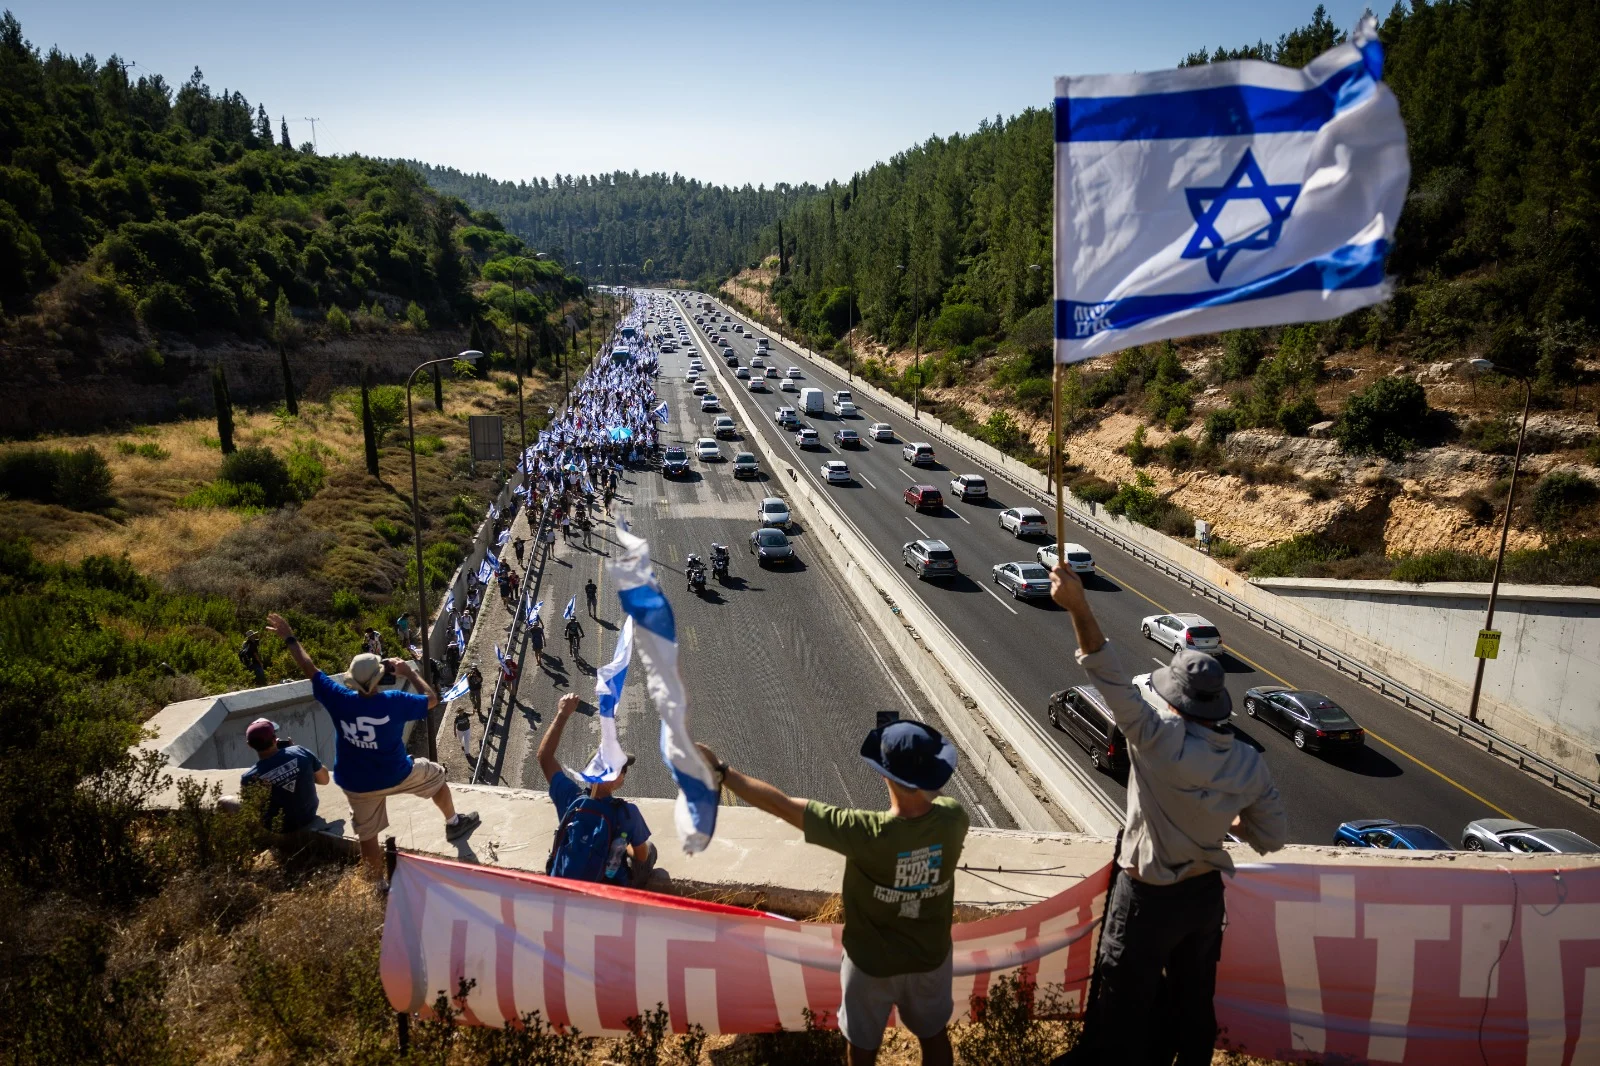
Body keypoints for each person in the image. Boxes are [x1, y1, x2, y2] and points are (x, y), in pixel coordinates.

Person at [1045, 564, 1286, 1066]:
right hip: (1203, 901)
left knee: (1120, 1004)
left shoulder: (1155, 737)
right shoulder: (1248, 763)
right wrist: (1218, 815)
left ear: (1175, 701)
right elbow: (1270, 836)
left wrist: (1078, 605)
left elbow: (1101, 664)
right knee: (1193, 1003)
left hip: (1147, 900)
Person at [696, 721, 968, 1066]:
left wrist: (721, 771)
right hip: (931, 958)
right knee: (933, 1035)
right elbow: (932, 802)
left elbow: (782, 805)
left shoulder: (863, 833)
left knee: (863, 1043)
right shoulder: (954, 818)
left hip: (871, 965)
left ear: (884, 776)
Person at [265, 612, 480, 885]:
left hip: (357, 783)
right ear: (380, 678)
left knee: (368, 836)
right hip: (396, 773)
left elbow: (309, 668)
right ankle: (453, 823)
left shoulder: (339, 698)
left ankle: (378, 886)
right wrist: (408, 671)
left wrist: (290, 637)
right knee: (436, 775)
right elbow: (432, 699)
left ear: (352, 681)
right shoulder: (393, 701)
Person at [537, 692, 654, 886]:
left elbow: (544, 757)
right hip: (604, 892)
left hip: (563, 887)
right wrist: (623, 848)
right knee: (649, 850)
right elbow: (641, 856)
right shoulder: (627, 813)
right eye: (623, 768)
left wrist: (562, 714)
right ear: (615, 777)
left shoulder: (571, 799)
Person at [239, 718, 328, 832]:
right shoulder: (299, 751)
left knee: (226, 801)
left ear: (249, 745)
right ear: (275, 739)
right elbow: (324, 780)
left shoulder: (248, 777)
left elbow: (252, 813)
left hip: (277, 828)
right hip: (308, 816)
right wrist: (297, 756)